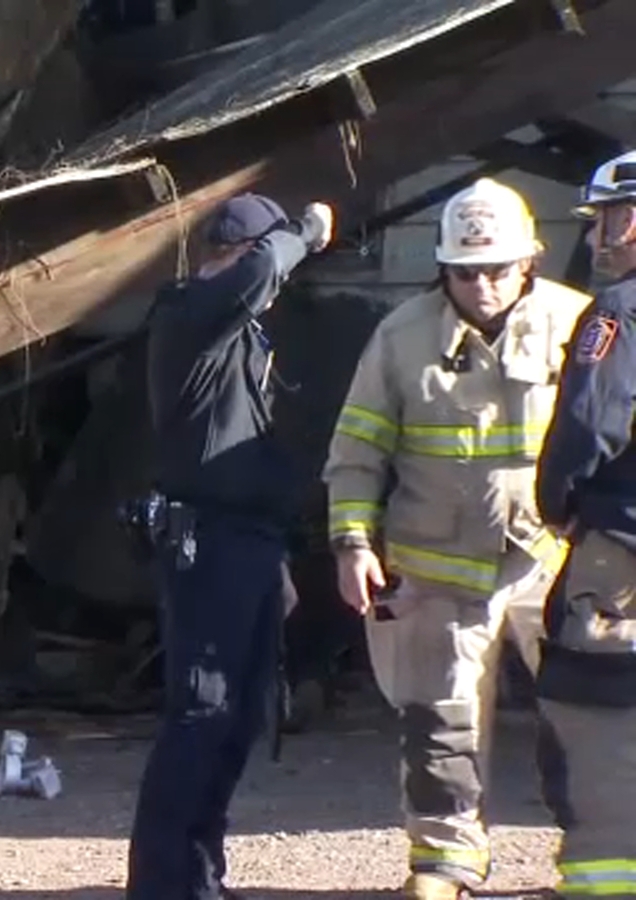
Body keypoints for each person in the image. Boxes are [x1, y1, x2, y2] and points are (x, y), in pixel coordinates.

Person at [321, 177, 589, 900]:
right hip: (437, 570)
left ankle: (600, 862)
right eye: (465, 271)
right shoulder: (402, 337)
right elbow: (357, 449)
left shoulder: (582, 324)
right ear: (444, 268)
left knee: (586, 718)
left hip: (555, 561)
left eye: (496, 268)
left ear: (528, 260)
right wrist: (352, 545)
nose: (482, 285)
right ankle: (444, 863)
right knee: (441, 728)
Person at [125, 192, 333, 900]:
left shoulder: (234, 331)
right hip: (207, 544)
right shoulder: (191, 314)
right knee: (201, 714)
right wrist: (308, 231)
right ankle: (163, 886)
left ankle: (200, 879)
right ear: (242, 256)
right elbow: (261, 271)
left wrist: (278, 555)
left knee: (238, 719)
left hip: (248, 543)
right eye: (266, 263)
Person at [533, 149, 636, 900]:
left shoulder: (619, 313)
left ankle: (606, 881)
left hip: (620, 554)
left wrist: (558, 505)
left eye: (606, 218)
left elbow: (587, 427)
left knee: (595, 715)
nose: (601, 235)